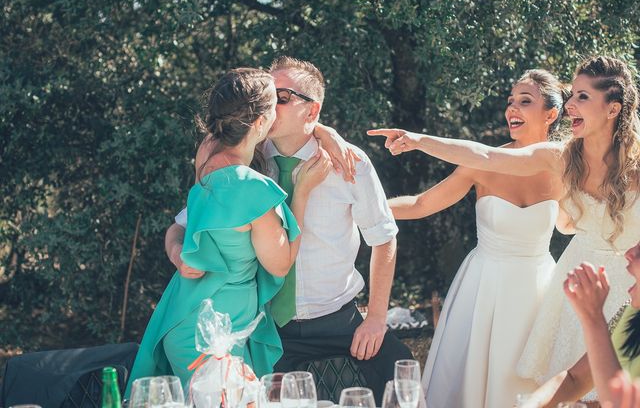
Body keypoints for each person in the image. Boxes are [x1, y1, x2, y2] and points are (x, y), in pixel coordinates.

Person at [369, 56, 640, 393]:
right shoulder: (562, 158)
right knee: (569, 386)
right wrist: (418, 140)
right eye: (572, 95)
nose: (572, 104)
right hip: (535, 286)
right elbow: (484, 157)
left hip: (613, 288)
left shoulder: (616, 168)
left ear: (613, 109)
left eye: (582, 97)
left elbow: (571, 224)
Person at [169, 57, 413, 403]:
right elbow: (182, 226)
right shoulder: (246, 162)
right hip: (268, 325)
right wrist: (179, 254)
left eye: (281, 97)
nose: (269, 105)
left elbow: (384, 238)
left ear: (312, 112)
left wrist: (375, 318)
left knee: (400, 370)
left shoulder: (349, 163)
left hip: (338, 318)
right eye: (268, 97)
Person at [125, 68, 331, 396]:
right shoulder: (253, 189)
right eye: (275, 103)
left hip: (181, 320)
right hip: (214, 335)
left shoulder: (207, 155)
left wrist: (178, 256)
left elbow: (176, 230)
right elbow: (279, 264)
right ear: (262, 123)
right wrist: (301, 192)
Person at [387, 70, 570, 407]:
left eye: (524, 102)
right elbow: (421, 204)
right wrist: (360, 210)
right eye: (510, 102)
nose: (511, 109)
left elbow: (576, 220)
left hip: (539, 289)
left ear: (551, 113)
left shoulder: (567, 166)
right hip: (485, 286)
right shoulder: (484, 162)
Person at [521, 240, 640, 407]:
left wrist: (593, 318)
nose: (629, 253)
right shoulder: (630, 311)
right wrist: (529, 404)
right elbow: (575, 379)